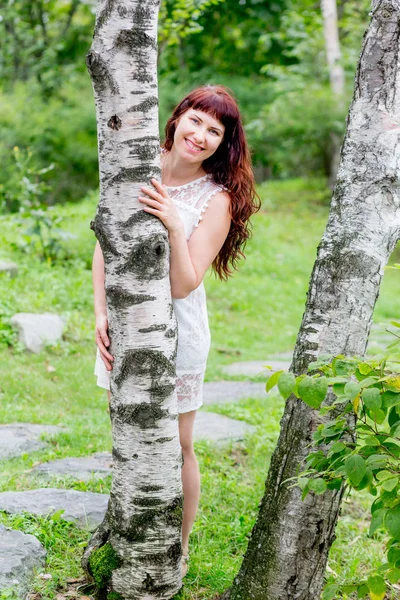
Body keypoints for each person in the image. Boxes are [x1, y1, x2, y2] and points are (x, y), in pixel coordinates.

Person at [92, 84, 260, 578]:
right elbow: (106, 239)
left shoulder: (217, 198)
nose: (201, 135)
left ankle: (175, 549)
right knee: (129, 432)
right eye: (196, 120)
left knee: (178, 443)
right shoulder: (136, 162)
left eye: (215, 130)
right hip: (123, 319)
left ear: (224, 142)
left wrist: (170, 221)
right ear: (176, 117)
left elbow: (186, 284)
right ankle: (127, 531)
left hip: (177, 329)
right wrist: (99, 312)